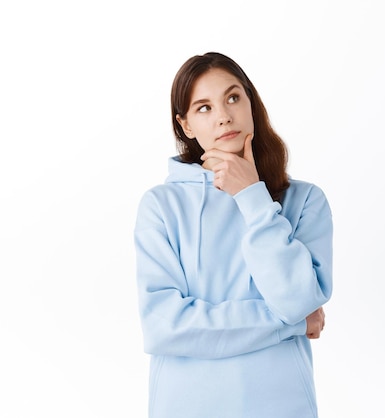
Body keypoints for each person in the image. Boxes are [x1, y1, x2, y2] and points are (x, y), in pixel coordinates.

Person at [133, 51, 333, 418]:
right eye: (204, 107)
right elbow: (164, 328)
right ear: (186, 126)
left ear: (250, 102)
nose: (224, 115)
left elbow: (299, 298)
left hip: (282, 406)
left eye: (232, 97)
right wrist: (289, 323)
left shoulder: (306, 201)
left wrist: (252, 198)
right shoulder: (161, 206)